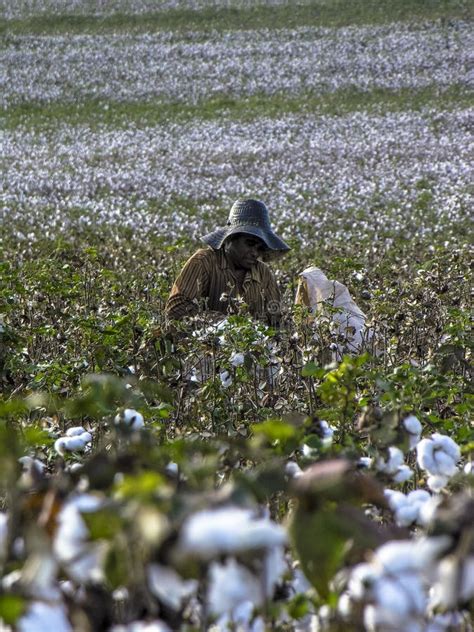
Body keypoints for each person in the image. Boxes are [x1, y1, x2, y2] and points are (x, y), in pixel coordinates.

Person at [165, 199, 290, 326]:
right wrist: (223, 324)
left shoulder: (263, 273)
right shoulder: (204, 262)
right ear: (230, 238)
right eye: (250, 243)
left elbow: (276, 319)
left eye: (259, 248)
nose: (255, 253)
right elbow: (177, 309)